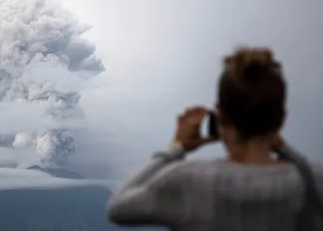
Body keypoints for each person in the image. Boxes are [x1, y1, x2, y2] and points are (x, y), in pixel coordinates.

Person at [106, 46, 323, 231]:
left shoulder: (188, 180)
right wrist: (285, 149)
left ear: (221, 115)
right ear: (281, 119)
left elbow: (118, 207)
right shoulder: (312, 181)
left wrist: (177, 146)